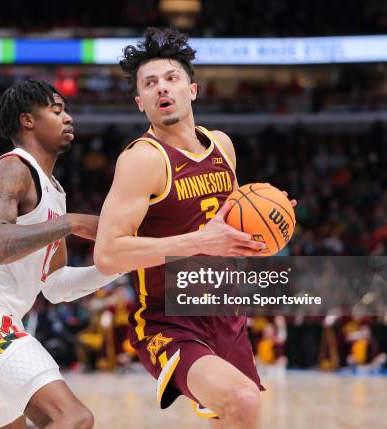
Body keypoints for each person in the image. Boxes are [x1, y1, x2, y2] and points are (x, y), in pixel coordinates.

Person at [94, 28, 296, 429]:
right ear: (140, 102)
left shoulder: (223, 145)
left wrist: (267, 231)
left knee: (239, 412)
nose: (161, 88)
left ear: (193, 90)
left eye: (171, 78)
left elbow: (230, 230)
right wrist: (199, 241)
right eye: (149, 84)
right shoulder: (142, 160)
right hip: (168, 319)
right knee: (241, 399)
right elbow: (107, 254)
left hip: (225, 313)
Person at [0, 79, 120, 429]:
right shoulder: (13, 168)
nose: (69, 119)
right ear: (28, 120)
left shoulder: (55, 192)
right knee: (74, 418)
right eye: (57, 110)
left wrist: (118, 264)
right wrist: (69, 223)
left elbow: (55, 286)